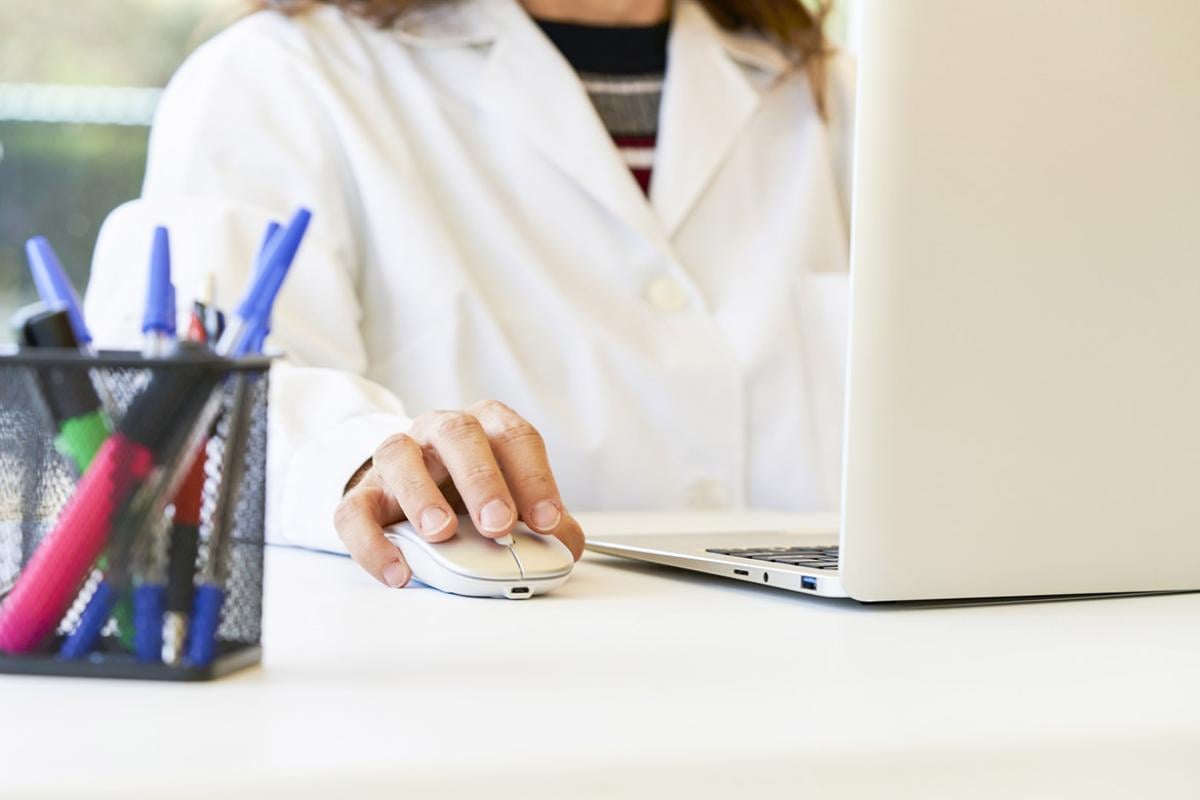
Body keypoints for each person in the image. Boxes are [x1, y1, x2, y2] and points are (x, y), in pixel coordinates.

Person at [84, 0, 855, 589]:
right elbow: (191, 400)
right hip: (467, 696)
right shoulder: (277, 78)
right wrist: (365, 463)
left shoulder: (849, 95)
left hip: (846, 690)